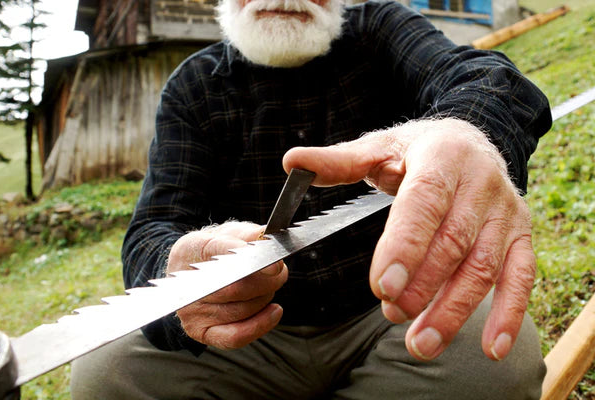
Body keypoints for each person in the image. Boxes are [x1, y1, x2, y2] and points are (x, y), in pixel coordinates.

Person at [71, 0, 552, 398]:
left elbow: (484, 76)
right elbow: (152, 228)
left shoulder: (380, 29)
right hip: (249, 344)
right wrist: (185, 264)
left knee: (496, 361)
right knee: (106, 373)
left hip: (393, 313)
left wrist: (462, 132)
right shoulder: (191, 86)